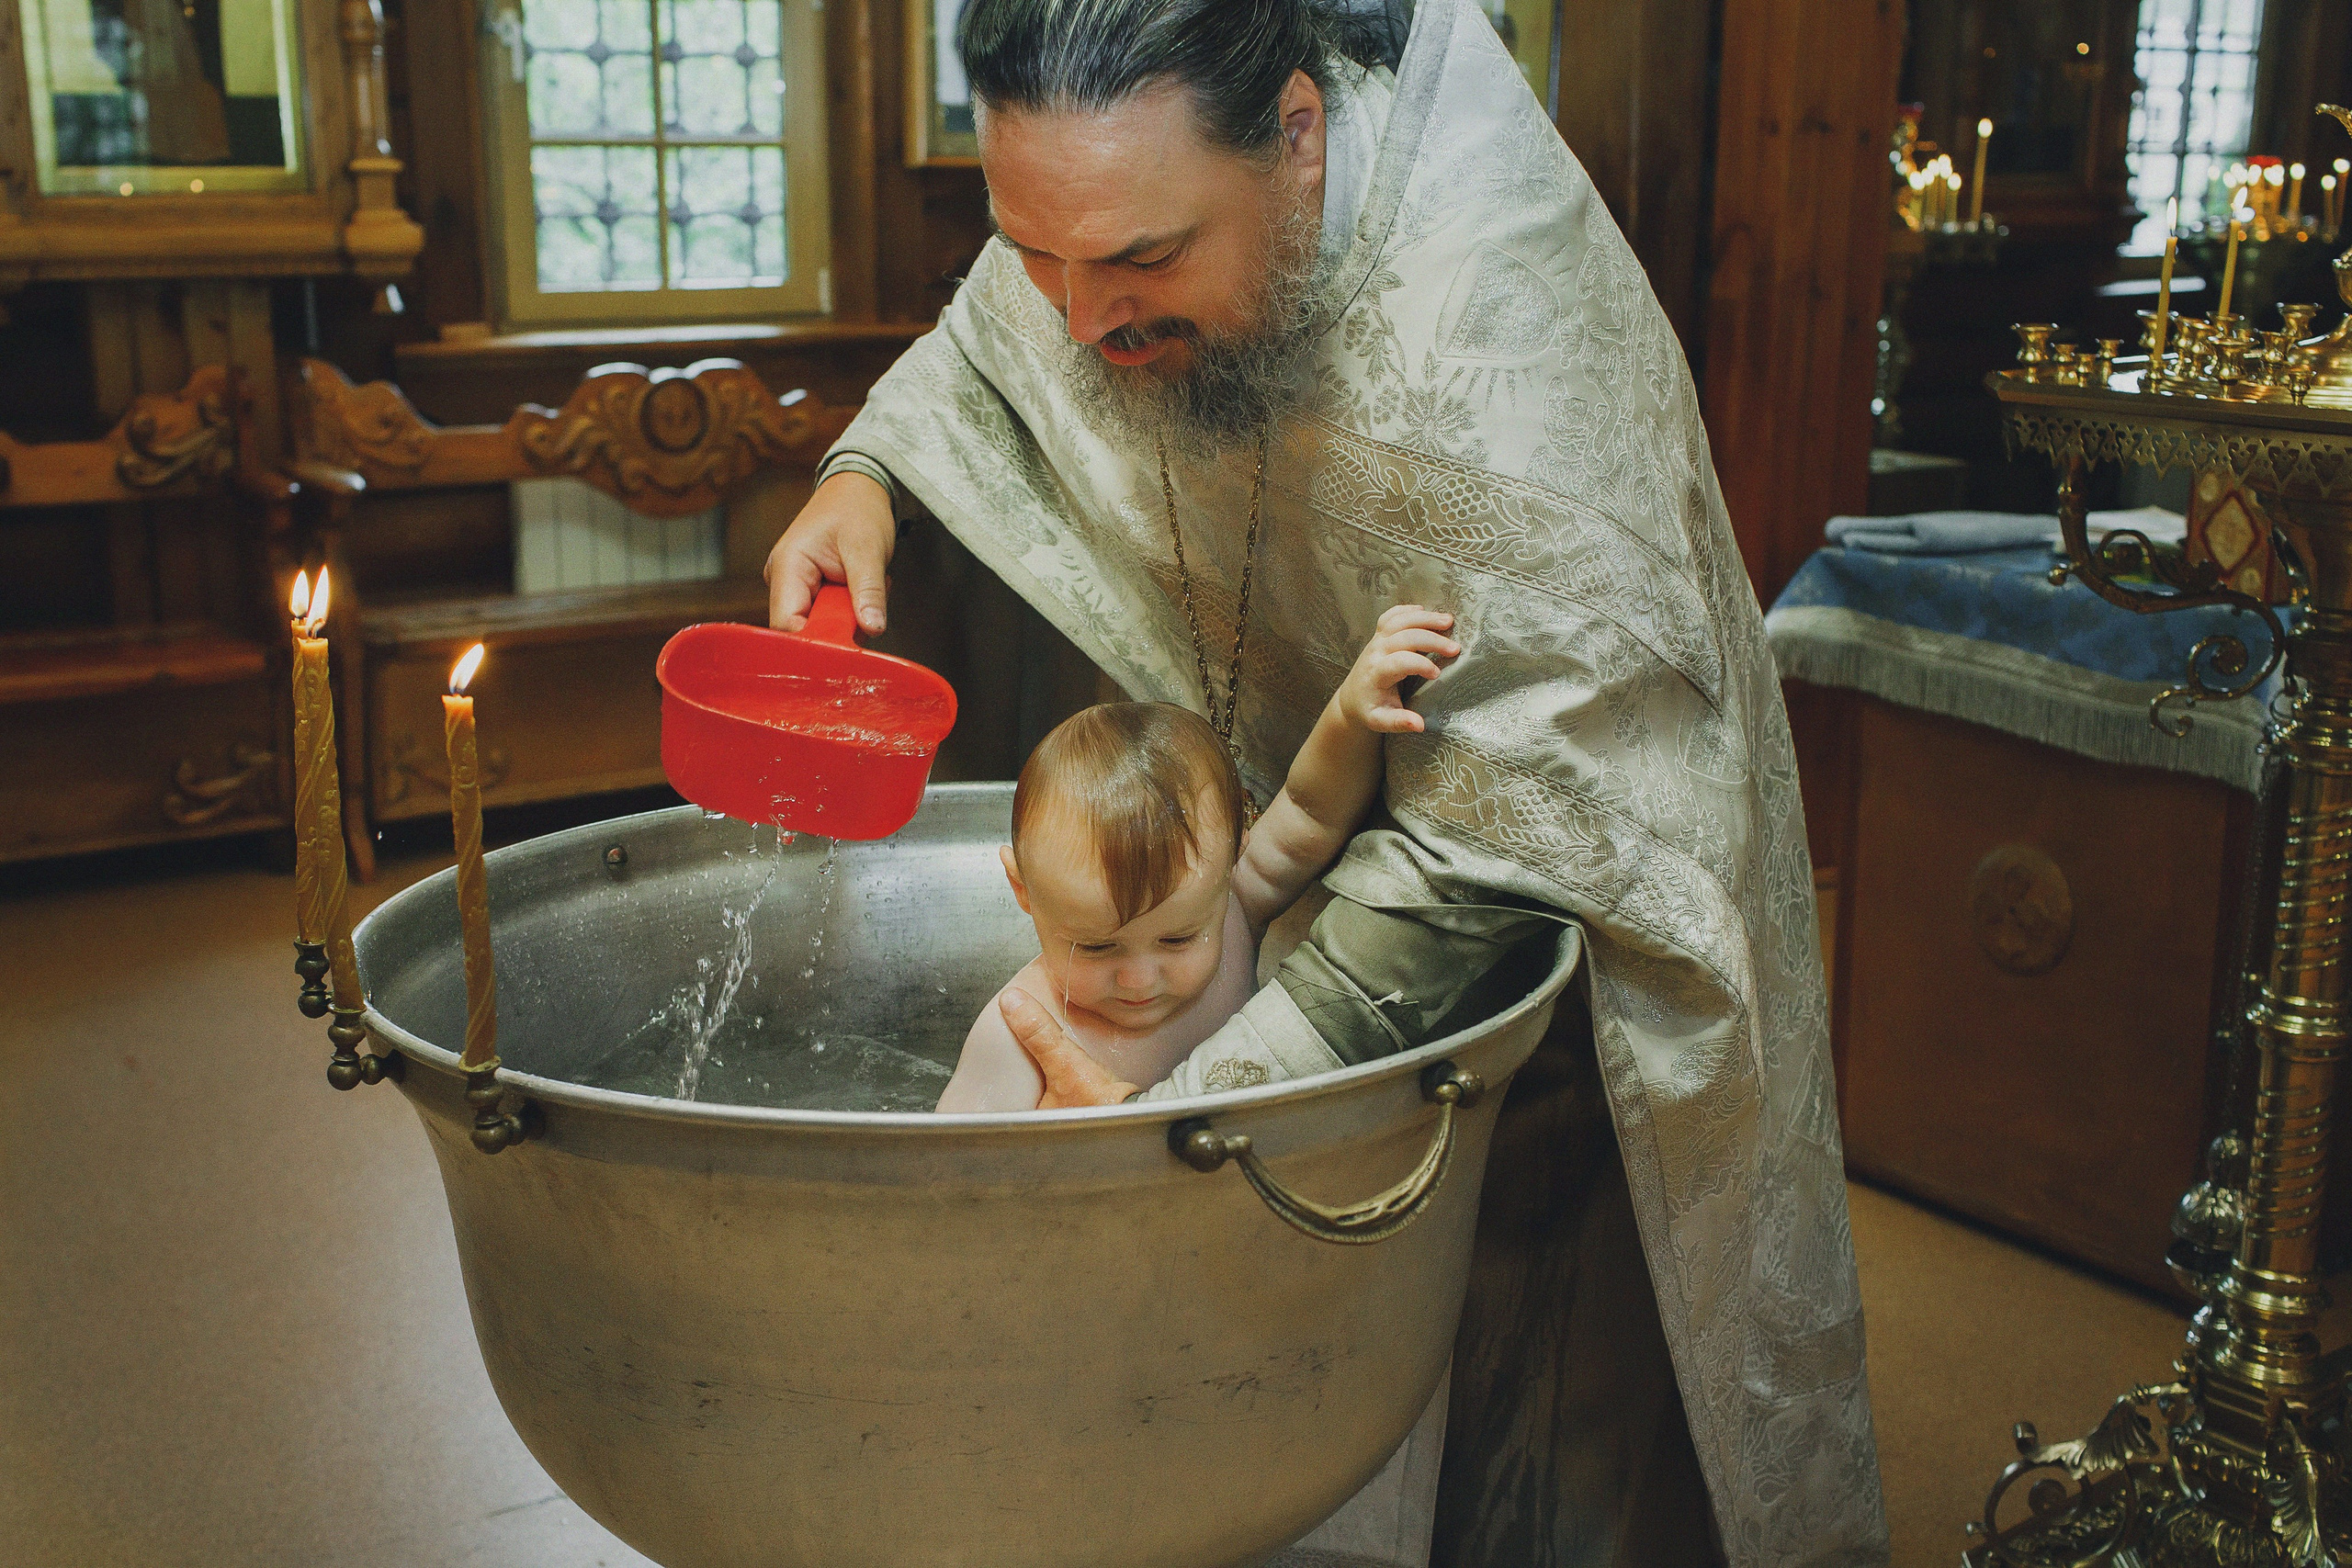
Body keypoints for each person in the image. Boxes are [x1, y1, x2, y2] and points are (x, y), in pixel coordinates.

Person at [763, 1, 1887, 1563]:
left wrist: (1193, 1112)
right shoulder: (1122, 196)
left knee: (1541, 1436)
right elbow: (987, 336)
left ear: (1298, 137)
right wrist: (861, 478)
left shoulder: (1506, 338)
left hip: (1553, 954)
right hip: (1281, 897)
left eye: (1143, 269)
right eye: (1039, 258)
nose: (1082, 321)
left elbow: (1503, 847)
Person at [940, 608, 1460, 1112]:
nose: (1140, 979)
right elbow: (947, 1178)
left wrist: (1349, 714)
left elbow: (1308, 811)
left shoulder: (1233, 911)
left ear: (1236, 858)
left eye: (1178, 938)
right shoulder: (1017, 1038)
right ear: (1022, 888)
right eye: (1097, 947)